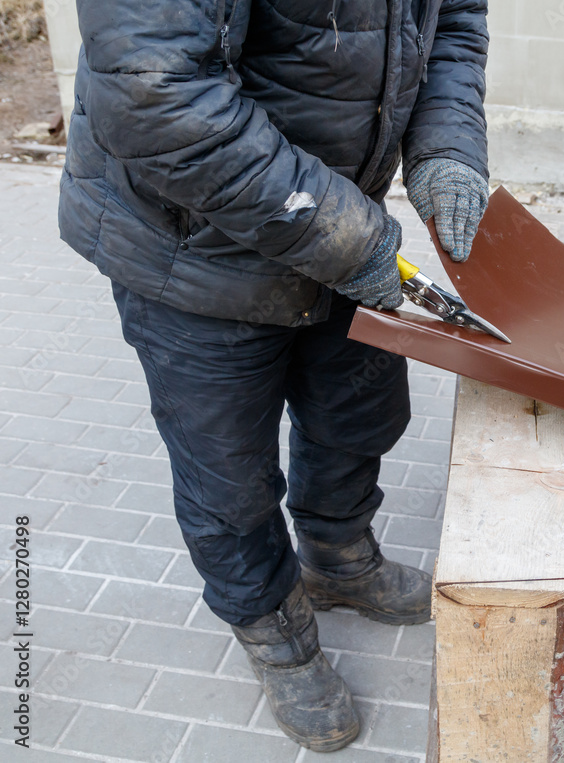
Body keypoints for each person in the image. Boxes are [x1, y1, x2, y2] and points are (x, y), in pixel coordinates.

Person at [58, 0, 489, 752]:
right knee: (228, 475)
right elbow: (155, 94)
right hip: (190, 246)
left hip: (340, 211)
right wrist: (347, 239)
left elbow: (452, 17)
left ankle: (338, 556)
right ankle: (275, 628)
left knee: (359, 413)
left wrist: (446, 145)